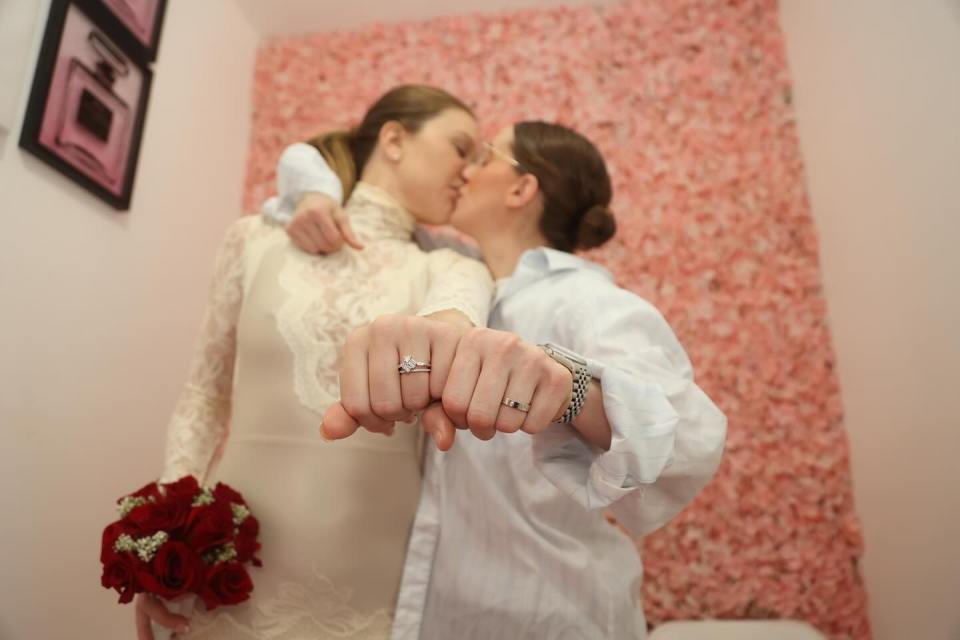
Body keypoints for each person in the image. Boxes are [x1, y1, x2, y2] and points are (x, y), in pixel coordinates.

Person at [279, 121, 728, 638]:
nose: (465, 171)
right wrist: (313, 195)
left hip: (552, 611)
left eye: (486, 157)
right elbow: (310, 157)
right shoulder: (447, 275)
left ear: (521, 188)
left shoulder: (583, 299)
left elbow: (688, 439)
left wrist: (569, 389)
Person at [136, 85, 495, 640]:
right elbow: (204, 396)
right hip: (221, 575)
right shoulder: (253, 239)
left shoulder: (454, 269)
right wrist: (161, 539)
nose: (469, 172)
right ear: (395, 140)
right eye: (461, 148)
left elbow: (455, 334)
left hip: (371, 586)